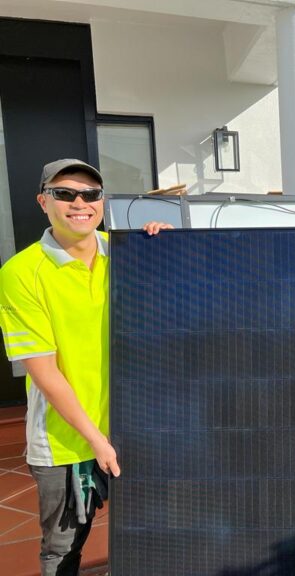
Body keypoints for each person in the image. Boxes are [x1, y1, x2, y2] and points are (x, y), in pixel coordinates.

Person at [0, 159, 171, 575]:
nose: (80, 203)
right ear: (44, 201)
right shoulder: (22, 273)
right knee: (63, 549)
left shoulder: (129, 254)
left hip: (133, 428)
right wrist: (97, 440)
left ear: (102, 201)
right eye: (65, 194)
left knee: (153, 535)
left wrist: (169, 248)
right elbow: (45, 372)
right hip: (65, 443)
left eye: (90, 194)